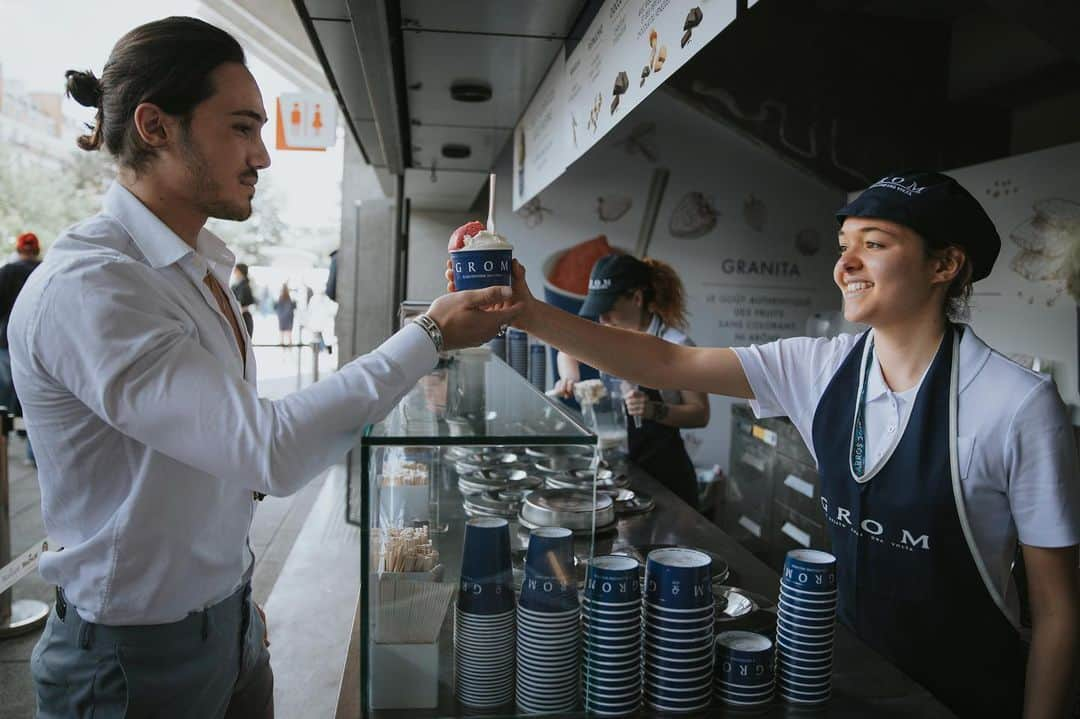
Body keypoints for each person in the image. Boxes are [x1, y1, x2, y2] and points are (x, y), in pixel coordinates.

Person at [13, 17, 518, 719]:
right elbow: (267, 449)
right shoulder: (94, 286)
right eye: (242, 128)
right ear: (156, 126)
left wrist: (230, 605)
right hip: (133, 667)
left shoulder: (194, 270)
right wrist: (429, 333)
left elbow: (211, 465)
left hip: (227, 625)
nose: (263, 155)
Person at [450, 171, 1080, 718]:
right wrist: (525, 313)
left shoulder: (1016, 404)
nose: (846, 264)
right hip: (846, 670)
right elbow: (669, 361)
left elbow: (1055, 612)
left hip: (967, 695)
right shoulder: (818, 368)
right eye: (843, 246)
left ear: (945, 265)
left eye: (875, 244)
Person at [551, 254, 708, 508]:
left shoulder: (676, 345)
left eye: (608, 309)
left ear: (636, 298)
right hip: (620, 470)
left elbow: (700, 414)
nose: (602, 320)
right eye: (597, 312)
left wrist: (653, 409)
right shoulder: (609, 335)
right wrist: (569, 378)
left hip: (666, 478)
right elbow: (566, 351)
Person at [0, 232, 43, 464]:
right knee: (36, 400)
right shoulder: (45, 270)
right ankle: (33, 453)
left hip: (8, 342)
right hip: (40, 342)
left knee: (9, 400)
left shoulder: (7, 272)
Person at [230, 262, 256, 336]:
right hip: (240, 316)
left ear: (240, 271)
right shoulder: (237, 285)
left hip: (243, 317)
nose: (234, 272)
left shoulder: (245, 286)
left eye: (236, 270)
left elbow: (245, 302)